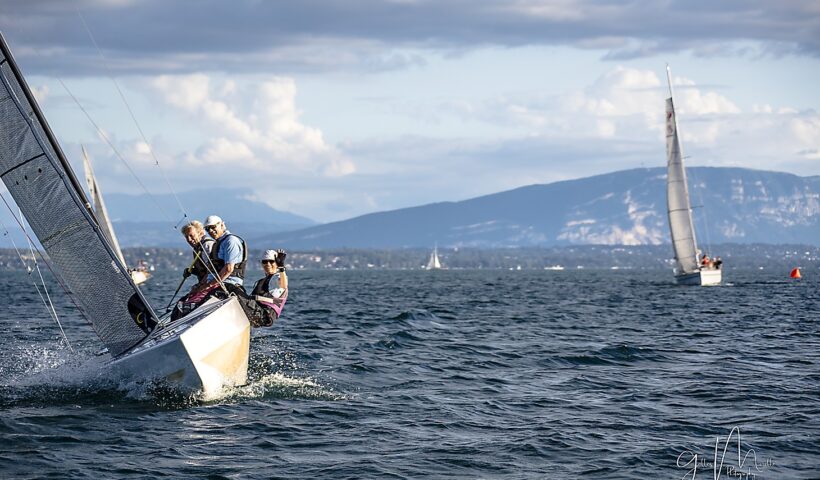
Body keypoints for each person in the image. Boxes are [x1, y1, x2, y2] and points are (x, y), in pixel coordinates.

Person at [171, 215, 247, 319]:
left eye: (213, 227)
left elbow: (228, 269)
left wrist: (206, 286)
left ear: (222, 225)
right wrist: (198, 281)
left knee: (190, 304)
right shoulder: (217, 244)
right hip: (214, 283)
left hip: (227, 284)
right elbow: (211, 269)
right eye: (208, 229)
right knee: (183, 303)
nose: (211, 231)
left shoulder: (225, 242)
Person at [237, 249, 289, 327]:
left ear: (277, 263)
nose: (268, 264)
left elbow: (283, 286)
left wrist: (281, 267)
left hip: (263, 315)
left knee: (232, 290)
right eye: (265, 262)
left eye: (271, 261)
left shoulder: (276, 277)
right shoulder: (264, 280)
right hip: (256, 312)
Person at [180, 220, 215, 286]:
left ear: (201, 233)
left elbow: (212, 270)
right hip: (205, 283)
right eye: (186, 237)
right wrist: (191, 271)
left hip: (212, 283)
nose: (189, 239)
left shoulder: (207, 245)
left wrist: (200, 286)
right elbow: (202, 270)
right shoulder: (197, 248)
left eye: (191, 235)